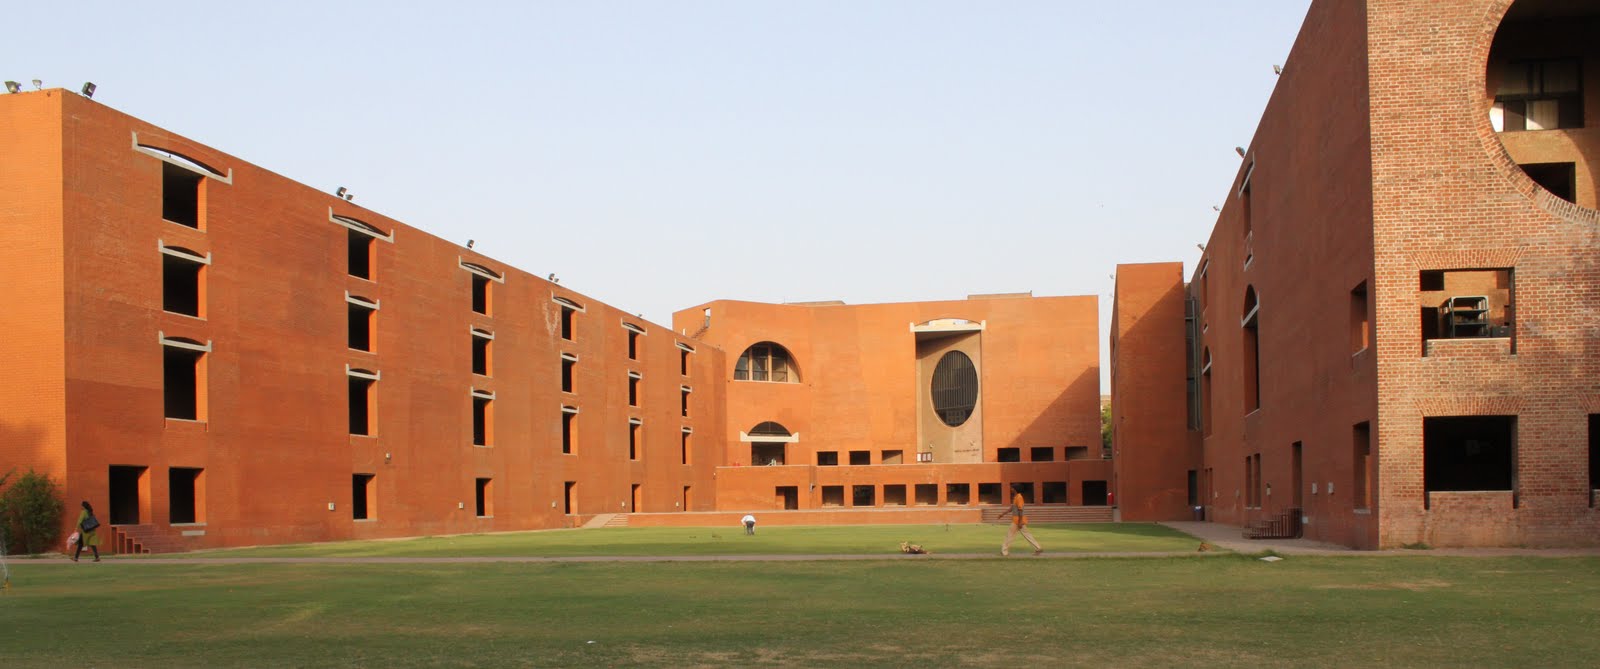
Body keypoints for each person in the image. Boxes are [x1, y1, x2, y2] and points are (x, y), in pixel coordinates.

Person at [997, 485, 1043, 557]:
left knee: (1009, 536)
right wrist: (1002, 514)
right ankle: (1038, 548)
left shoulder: (1019, 497)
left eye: (1012, 488)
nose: (1010, 489)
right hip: (1017, 520)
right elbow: (1012, 508)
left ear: (1015, 489)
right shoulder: (1016, 497)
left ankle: (1004, 552)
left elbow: (1020, 510)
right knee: (1027, 535)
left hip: (1017, 521)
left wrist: (1020, 522)